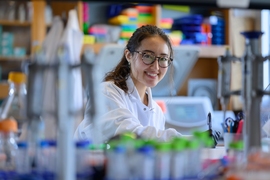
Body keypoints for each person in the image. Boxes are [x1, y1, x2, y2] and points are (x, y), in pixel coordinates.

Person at [74, 25, 219, 144]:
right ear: (129, 55)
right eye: (147, 56)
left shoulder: (156, 112)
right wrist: (192, 140)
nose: (156, 67)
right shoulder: (106, 93)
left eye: (163, 59)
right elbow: (129, 135)